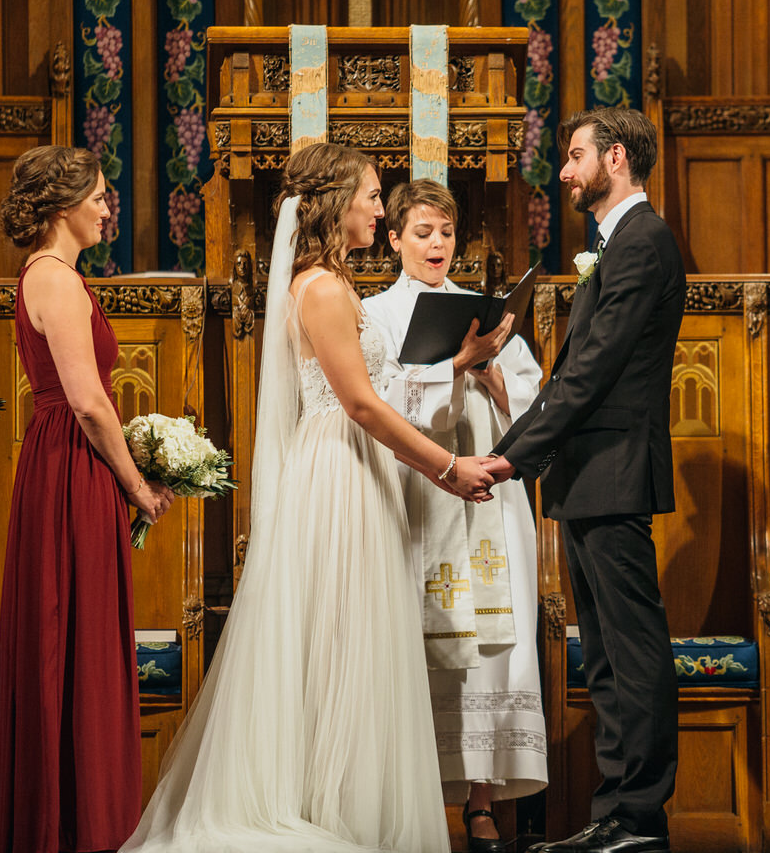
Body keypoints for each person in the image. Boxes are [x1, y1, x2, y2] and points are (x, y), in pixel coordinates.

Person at [122, 143, 494, 853]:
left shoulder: (330, 281)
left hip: (357, 467)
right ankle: (330, 812)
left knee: (351, 639)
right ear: (335, 202)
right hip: (340, 471)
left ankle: (342, 803)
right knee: (340, 636)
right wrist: (446, 466)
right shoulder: (320, 288)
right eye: (373, 196)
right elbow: (358, 404)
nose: (380, 209)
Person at [485, 107, 684, 853]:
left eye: (574, 157)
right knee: (601, 653)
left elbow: (592, 372)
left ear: (619, 159)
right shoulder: (617, 243)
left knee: (631, 651)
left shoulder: (642, 243)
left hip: (615, 472)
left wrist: (511, 456)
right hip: (589, 475)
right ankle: (614, 813)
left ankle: (641, 817)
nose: (564, 172)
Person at [0, 146, 176, 853]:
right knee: (76, 631)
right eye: (98, 196)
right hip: (72, 461)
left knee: (70, 633)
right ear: (63, 205)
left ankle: (70, 817)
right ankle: (75, 826)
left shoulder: (50, 276)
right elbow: (91, 403)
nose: (107, 207)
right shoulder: (57, 281)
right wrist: (137, 485)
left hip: (63, 462)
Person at [363, 179, 548, 852]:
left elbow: (531, 414)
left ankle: (482, 803)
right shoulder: (375, 315)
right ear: (394, 239)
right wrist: (452, 367)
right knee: (414, 644)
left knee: (491, 653)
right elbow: (372, 404)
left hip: (489, 503)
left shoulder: (485, 311)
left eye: (445, 233)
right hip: (419, 493)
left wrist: (491, 370)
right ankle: (404, 801)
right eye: (422, 233)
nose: (437, 245)